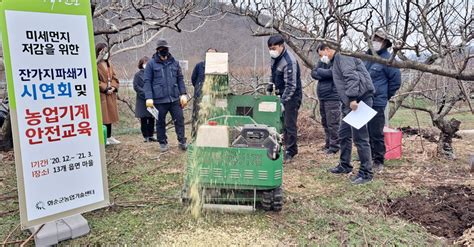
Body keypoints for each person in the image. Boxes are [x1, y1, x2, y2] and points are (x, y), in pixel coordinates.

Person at [317, 43, 375, 185]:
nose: (322, 58)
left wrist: (353, 98)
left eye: (321, 54)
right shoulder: (337, 60)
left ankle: (366, 173)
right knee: (343, 134)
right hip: (351, 102)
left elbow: (352, 77)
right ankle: (345, 165)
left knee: (360, 138)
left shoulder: (343, 56)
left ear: (327, 49)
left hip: (359, 101)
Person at [365, 29, 402, 172]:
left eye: (379, 40)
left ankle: (378, 160)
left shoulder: (388, 60)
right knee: (364, 132)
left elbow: (395, 82)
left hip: (377, 102)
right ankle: (367, 155)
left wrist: (384, 95)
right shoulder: (366, 57)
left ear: (385, 43)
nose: (375, 42)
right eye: (374, 39)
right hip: (363, 101)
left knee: (376, 132)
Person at [143, 39, 188, 152]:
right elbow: (147, 81)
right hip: (159, 99)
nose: (164, 51)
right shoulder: (151, 64)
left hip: (174, 98)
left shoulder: (175, 63)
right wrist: (149, 97)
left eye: (166, 48)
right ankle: (162, 142)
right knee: (160, 122)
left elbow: (180, 79)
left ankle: (182, 141)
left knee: (179, 119)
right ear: (158, 50)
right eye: (162, 49)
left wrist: (183, 94)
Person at [266, 34, 302, 163]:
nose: (272, 51)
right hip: (280, 93)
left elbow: (291, 86)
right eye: (270, 48)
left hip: (292, 96)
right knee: (280, 123)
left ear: (281, 46)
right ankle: (281, 145)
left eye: (274, 48)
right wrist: (269, 88)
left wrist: (283, 101)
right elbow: (273, 73)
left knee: (289, 123)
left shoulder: (289, 61)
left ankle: (291, 151)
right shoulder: (274, 58)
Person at [311, 60, 341, 155]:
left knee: (333, 123)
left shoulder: (336, 61)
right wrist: (323, 73)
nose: (320, 57)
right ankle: (328, 144)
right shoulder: (321, 62)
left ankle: (335, 147)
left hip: (332, 97)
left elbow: (332, 73)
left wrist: (320, 72)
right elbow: (313, 73)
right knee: (325, 122)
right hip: (322, 96)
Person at [96, 43, 120, 145]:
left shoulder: (109, 63)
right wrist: (105, 88)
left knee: (110, 116)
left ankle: (109, 136)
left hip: (110, 94)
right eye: (103, 51)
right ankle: (104, 137)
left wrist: (113, 87)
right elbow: (95, 80)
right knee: (104, 117)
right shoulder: (95, 64)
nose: (105, 53)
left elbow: (114, 77)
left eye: (106, 51)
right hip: (102, 94)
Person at [191, 47, 217, 138]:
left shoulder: (218, 67)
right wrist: (199, 88)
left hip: (213, 96)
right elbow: (193, 79)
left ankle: (210, 136)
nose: (211, 55)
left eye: (213, 54)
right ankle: (195, 136)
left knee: (212, 116)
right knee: (197, 116)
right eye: (209, 53)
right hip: (200, 95)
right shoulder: (200, 66)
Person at [133, 56, 157, 142]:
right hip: (142, 99)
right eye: (144, 63)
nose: (146, 65)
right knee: (144, 118)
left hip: (151, 99)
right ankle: (145, 136)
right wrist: (145, 93)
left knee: (151, 118)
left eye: (147, 63)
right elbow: (136, 86)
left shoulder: (153, 74)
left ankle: (151, 135)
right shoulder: (137, 75)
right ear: (141, 64)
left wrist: (151, 94)